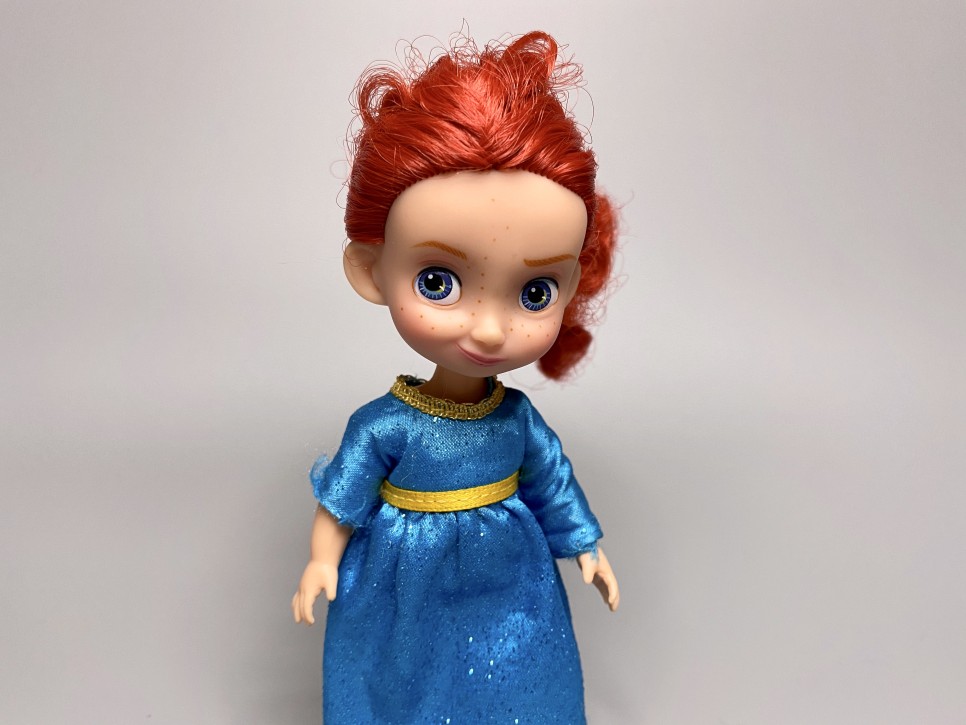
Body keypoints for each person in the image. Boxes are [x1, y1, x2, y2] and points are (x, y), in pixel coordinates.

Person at [292, 31, 620, 724]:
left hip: (511, 577)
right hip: (401, 582)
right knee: (405, 683)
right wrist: (322, 561)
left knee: (515, 680)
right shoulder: (384, 426)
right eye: (438, 281)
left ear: (569, 287)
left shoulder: (517, 419)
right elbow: (343, 500)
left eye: (534, 292)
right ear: (371, 269)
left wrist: (586, 546)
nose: (490, 329)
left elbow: (552, 480)